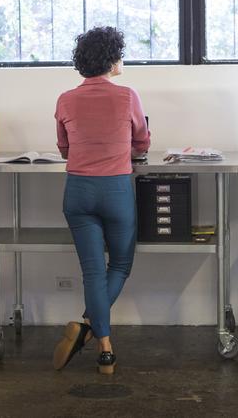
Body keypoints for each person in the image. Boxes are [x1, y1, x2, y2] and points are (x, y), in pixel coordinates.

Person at [52, 26, 150, 375]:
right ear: (111, 59)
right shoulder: (127, 96)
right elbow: (141, 141)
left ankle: (105, 346)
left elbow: (64, 148)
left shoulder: (65, 98)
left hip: (77, 190)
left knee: (91, 271)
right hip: (115, 190)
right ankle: (88, 327)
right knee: (120, 265)